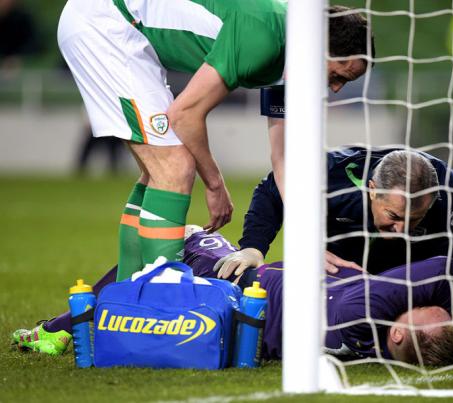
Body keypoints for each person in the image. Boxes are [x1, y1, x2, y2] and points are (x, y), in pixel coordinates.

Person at [57, 0, 374, 282]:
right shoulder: (264, 36)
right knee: (176, 167)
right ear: (321, 47)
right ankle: (160, 306)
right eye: (338, 76)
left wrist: (309, 246)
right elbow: (184, 115)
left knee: (159, 173)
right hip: (105, 22)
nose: (335, 89)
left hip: (121, 30)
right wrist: (214, 184)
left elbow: (284, 162)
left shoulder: (292, 51)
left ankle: (126, 297)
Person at [13, 227, 453, 366]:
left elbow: (443, 266)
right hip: (247, 315)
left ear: (401, 329)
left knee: (162, 247)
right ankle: (57, 329)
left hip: (224, 279)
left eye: (433, 311)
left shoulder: (370, 306)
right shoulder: (379, 348)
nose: (438, 303)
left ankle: (56, 328)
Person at [215, 147, 453, 277]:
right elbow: (271, 190)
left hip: (406, 272)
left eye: (415, 220)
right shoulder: (332, 174)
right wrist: (253, 248)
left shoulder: (445, 191)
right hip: (336, 269)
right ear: (372, 190)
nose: (402, 231)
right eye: (393, 217)